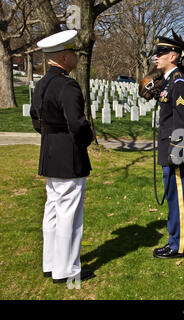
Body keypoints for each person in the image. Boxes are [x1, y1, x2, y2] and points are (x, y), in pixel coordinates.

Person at [30, 30, 95, 283]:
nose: (76, 57)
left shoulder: (43, 83)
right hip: (68, 155)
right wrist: (87, 137)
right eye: (73, 53)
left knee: (53, 210)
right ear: (64, 57)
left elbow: (36, 121)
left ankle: (51, 263)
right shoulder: (67, 84)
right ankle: (66, 270)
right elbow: (77, 124)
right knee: (69, 214)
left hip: (49, 152)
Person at [152, 36, 184, 259]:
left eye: (161, 53)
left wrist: (176, 151)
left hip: (175, 151)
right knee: (172, 199)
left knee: (178, 200)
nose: (156, 57)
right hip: (168, 150)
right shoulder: (169, 81)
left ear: (173, 56)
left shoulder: (179, 82)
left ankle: (179, 246)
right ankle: (174, 241)